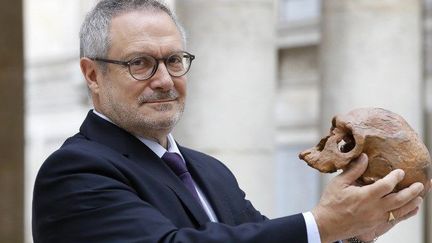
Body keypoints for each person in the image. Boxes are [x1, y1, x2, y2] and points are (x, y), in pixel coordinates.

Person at [32, 0, 429, 242]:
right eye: (140, 63)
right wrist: (324, 225)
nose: (165, 80)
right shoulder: (73, 172)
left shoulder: (210, 171)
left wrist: (355, 233)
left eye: (174, 60)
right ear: (92, 75)